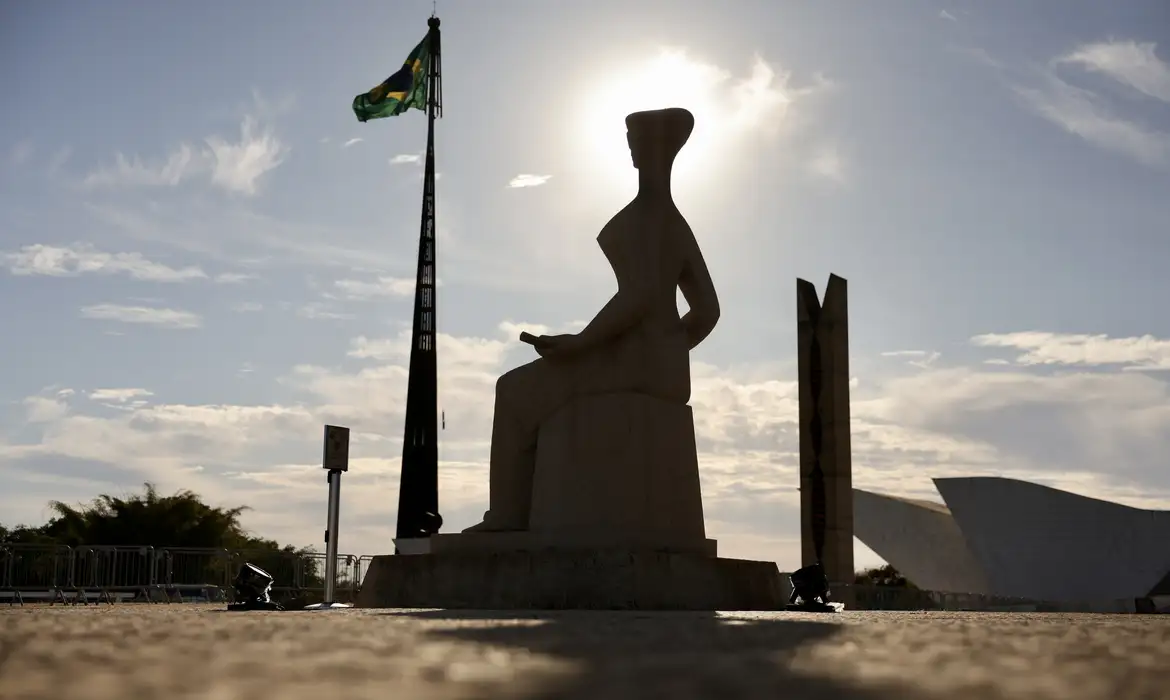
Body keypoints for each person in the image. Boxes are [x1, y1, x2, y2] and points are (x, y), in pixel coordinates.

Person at [464, 107, 720, 533]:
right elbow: (708, 311)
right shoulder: (675, 222)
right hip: (660, 365)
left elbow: (638, 295)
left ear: (650, 147)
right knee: (527, 386)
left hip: (636, 363)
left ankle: (507, 515)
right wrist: (671, 350)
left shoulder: (648, 216)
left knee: (512, 391)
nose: (630, 147)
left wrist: (581, 344)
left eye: (634, 139)